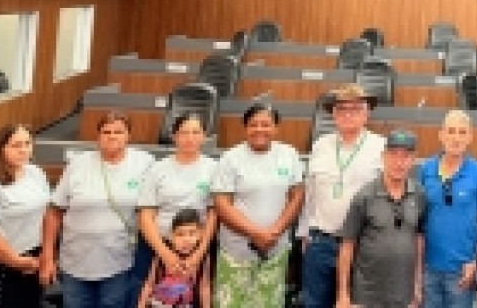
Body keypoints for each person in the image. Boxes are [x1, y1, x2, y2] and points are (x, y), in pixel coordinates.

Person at [40, 111, 156, 308]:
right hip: (75, 261)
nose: (112, 136)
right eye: (106, 132)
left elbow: (152, 209)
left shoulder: (145, 163)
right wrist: (48, 256)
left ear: (129, 135)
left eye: (118, 132)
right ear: (98, 136)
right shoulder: (78, 164)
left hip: (118, 262)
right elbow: (54, 212)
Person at [299, 84, 385, 308]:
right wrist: (304, 233)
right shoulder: (320, 145)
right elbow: (311, 193)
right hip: (320, 242)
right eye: (342, 109)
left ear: (367, 113)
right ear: (333, 114)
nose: (348, 114)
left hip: (362, 245)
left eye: (355, 109)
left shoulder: (381, 147)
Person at [211, 103, 304, 308]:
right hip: (236, 251)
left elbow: (296, 196)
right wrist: (256, 233)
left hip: (275, 249)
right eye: (253, 124)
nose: (259, 129)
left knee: (268, 302)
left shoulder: (289, 154)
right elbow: (222, 203)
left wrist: (275, 231)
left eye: (266, 124)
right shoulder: (230, 158)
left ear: (276, 128)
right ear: (245, 128)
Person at [336, 129, 427, 308]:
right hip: (366, 296)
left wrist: (417, 284)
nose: (399, 163)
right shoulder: (364, 196)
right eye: (393, 155)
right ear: (383, 157)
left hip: (404, 295)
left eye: (405, 156)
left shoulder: (419, 195)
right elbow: (347, 246)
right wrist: (343, 294)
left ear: (413, 160)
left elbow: (418, 240)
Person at [419, 109, 477, 308]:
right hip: (429, 268)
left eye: (462, 132)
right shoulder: (426, 169)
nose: (456, 138)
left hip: (462, 270)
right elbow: (418, 218)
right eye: (451, 131)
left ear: (470, 137)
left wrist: (476, 261)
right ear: (441, 135)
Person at [136, 114, 217, 293]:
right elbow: (145, 215)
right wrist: (165, 254)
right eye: (184, 133)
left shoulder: (214, 169)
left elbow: (214, 214)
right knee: (157, 298)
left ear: (204, 136)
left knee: (194, 298)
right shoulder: (157, 169)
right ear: (174, 136)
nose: (190, 138)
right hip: (160, 246)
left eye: (196, 132)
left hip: (198, 248)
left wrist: (198, 254)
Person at [0, 123, 49, 307]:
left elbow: (46, 213)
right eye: (16, 145)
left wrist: (46, 255)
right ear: (0, 148)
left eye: (27, 143)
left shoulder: (35, 172)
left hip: (34, 259)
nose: (23, 150)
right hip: (2, 264)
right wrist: (17, 261)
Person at [137, 207, 211, 308]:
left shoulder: (202, 258)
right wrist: (141, 305)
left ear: (200, 234)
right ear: (172, 237)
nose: (186, 239)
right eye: (180, 234)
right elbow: (149, 284)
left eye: (192, 233)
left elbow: (204, 288)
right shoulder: (162, 255)